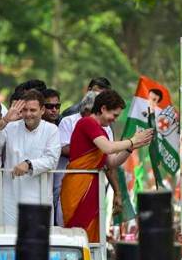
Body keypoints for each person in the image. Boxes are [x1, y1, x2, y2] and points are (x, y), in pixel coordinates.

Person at [61, 89, 153, 242]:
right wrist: (132, 140)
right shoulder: (87, 123)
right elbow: (108, 148)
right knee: (77, 234)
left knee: (90, 237)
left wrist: (131, 147)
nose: (115, 120)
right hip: (78, 185)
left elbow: (111, 162)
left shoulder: (101, 131)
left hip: (93, 185)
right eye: (114, 115)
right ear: (103, 109)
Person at [0, 89, 60, 225]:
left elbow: (51, 160)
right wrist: (4, 120)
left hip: (38, 198)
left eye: (33, 110)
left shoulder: (51, 130)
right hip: (11, 197)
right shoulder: (11, 127)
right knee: (8, 242)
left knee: (35, 243)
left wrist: (29, 164)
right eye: (25, 110)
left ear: (42, 110)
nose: (28, 114)